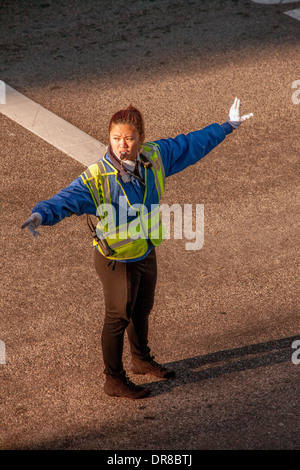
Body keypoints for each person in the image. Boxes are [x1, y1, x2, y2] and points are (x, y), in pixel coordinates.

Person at [21, 98, 253, 399]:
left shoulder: (155, 156)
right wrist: (41, 214)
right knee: (118, 318)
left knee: (142, 309)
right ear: (109, 138)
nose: (122, 145)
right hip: (115, 259)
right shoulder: (98, 177)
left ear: (140, 138)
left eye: (129, 138)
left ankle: (141, 359)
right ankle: (113, 380)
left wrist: (226, 127)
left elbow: (190, 144)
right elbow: (67, 198)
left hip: (145, 250)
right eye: (116, 138)